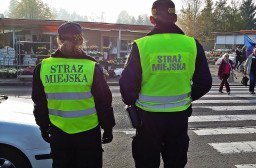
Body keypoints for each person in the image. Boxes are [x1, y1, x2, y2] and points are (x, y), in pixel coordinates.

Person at [119, 0, 212, 167]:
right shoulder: (192, 44)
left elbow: (127, 86)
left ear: (152, 19)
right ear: (175, 18)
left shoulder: (141, 45)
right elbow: (204, 82)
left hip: (147, 119)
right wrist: (187, 98)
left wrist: (132, 102)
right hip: (179, 118)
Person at [32, 22, 115, 168]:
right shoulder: (91, 67)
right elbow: (104, 102)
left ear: (58, 39)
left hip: (59, 133)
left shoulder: (43, 67)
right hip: (88, 134)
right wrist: (108, 128)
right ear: (81, 40)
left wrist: (43, 126)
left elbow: (39, 103)